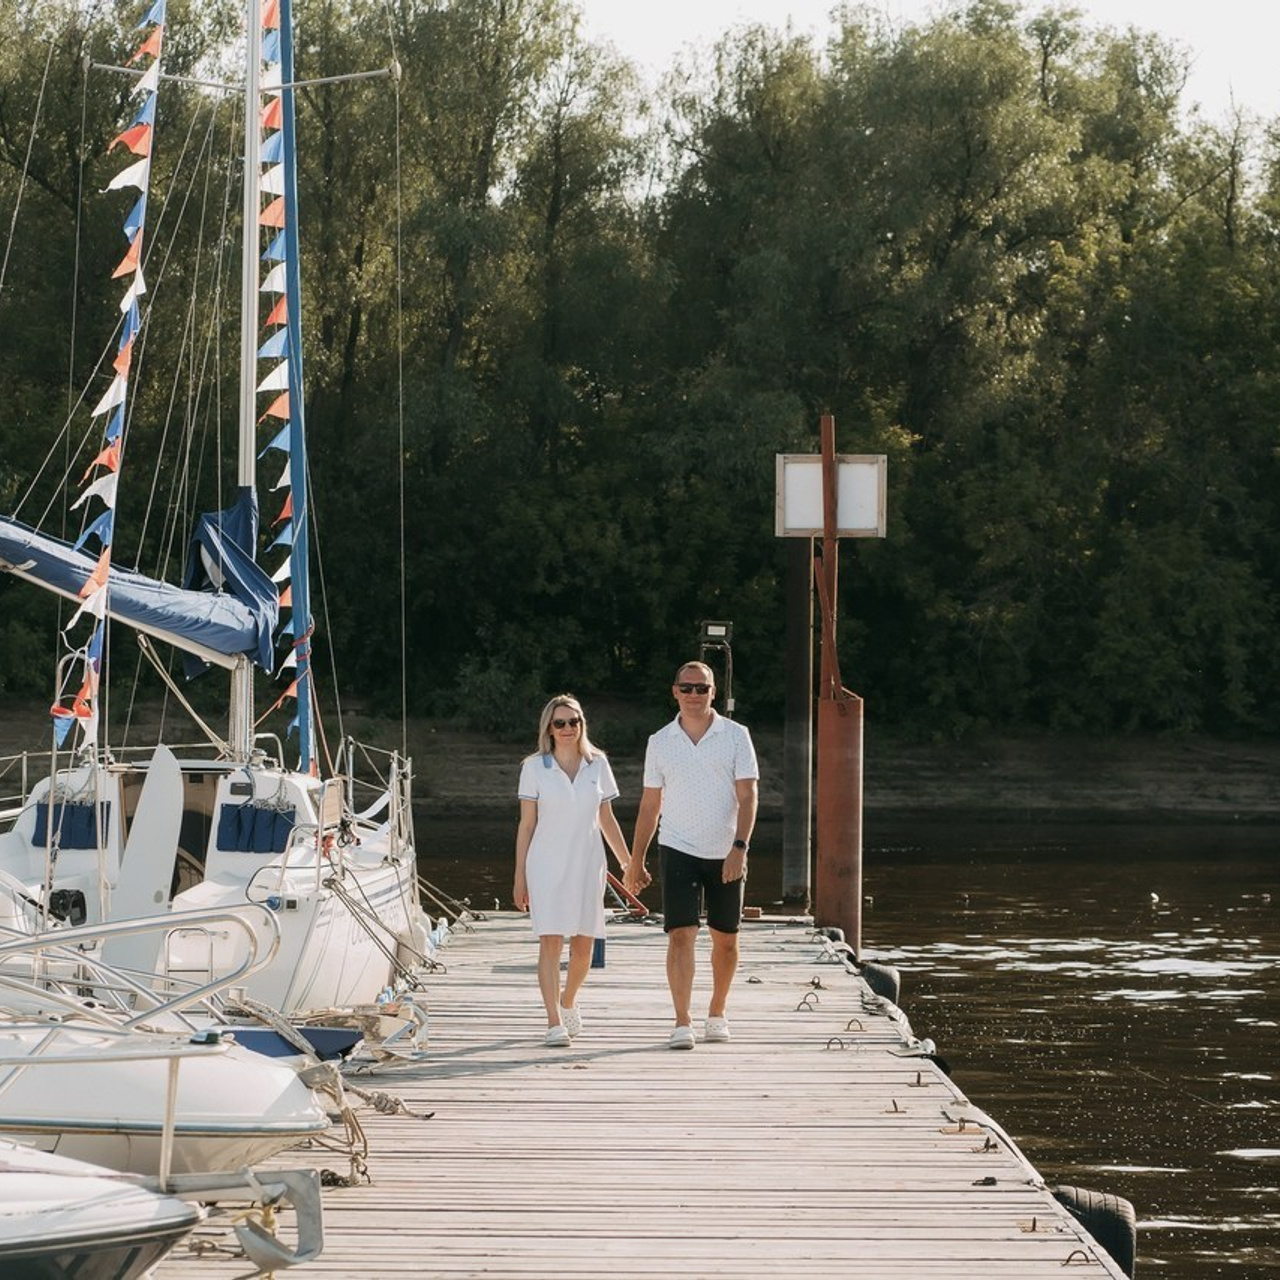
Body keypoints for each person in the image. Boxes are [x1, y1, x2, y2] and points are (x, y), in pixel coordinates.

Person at [624, 661, 758, 1050]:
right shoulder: (660, 741)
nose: (695, 695)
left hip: (726, 851)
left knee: (726, 938)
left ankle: (717, 1012)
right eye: (688, 688)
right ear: (675, 692)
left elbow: (748, 796)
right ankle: (682, 1020)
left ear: (714, 692)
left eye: (702, 689)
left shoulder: (736, 736)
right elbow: (651, 804)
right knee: (681, 934)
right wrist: (637, 859)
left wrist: (740, 847)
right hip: (677, 846)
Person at [514, 694, 630, 1047]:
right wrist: (519, 875)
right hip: (545, 863)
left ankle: (568, 1001)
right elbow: (527, 825)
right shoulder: (534, 767)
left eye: (574, 721)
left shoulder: (598, 764)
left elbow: (606, 819)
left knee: (584, 944)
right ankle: (553, 1022)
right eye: (560, 722)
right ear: (548, 727)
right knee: (550, 941)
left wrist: (629, 862)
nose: (567, 728)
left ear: (582, 724)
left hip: (588, 862)